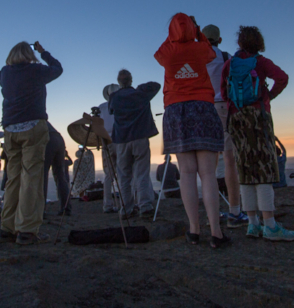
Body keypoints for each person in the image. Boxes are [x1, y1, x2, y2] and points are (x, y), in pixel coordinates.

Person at [154, 13, 229, 248]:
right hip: (203, 107)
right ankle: (216, 232)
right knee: (208, 174)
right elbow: (209, 49)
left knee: (186, 173)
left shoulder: (168, 52)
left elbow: (160, 52)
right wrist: (196, 31)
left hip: (176, 111)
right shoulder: (200, 49)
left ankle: (194, 230)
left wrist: (175, 34)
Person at [221, 25, 294, 242]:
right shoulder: (261, 62)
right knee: (264, 168)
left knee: (244, 168)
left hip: (236, 119)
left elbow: (224, 91)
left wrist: (235, 105)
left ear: (240, 43)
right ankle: (270, 226)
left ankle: (252, 224)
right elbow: (282, 78)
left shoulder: (229, 64)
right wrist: (268, 97)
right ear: (259, 42)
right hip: (258, 117)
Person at [0, 41, 63, 245]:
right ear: (28, 54)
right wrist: (43, 52)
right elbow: (58, 69)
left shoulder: (4, 73)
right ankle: (27, 230)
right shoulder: (36, 70)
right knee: (31, 178)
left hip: (10, 129)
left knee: (13, 179)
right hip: (33, 126)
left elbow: (0, 77)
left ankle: (7, 229)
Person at [202, 24, 247, 228]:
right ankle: (235, 212)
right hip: (223, 107)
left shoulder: (196, 58)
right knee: (230, 159)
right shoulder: (226, 56)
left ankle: (212, 212)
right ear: (219, 40)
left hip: (202, 109)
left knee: (208, 164)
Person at [109, 69, 161, 220]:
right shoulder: (141, 94)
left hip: (122, 140)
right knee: (142, 172)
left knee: (124, 176)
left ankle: (126, 209)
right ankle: (145, 206)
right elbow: (156, 85)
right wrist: (139, 88)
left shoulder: (114, 97)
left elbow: (112, 111)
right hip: (140, 137)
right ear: (131, 80)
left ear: (119, 82)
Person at [98, 84, 121, 213]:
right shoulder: (122, 105)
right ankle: (126, 203)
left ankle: (107, 205)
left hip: (105, 141)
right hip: (119, 140)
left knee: (108, 175)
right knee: (123, 172)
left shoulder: (101, 108)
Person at [43, 123, 71, 216]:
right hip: (59, 139)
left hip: (48, 139)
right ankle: (66, 207)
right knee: (60, 175)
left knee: (42, 174)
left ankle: (40, 210)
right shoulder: (39, 115)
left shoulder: (29, 117)